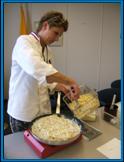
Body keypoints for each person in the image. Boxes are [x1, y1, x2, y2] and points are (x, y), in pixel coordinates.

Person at [7, 11, 80, 133]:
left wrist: (62, 87)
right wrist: (70, 81)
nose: (57, 38)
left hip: (43, 111)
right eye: (56, 33)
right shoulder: (24, 42)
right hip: (23, 112)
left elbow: (45, 79)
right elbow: (36, 68)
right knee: (24, 149)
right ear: (45, 25)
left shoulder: (48, 51)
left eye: (59, 36)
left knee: (40, 147)